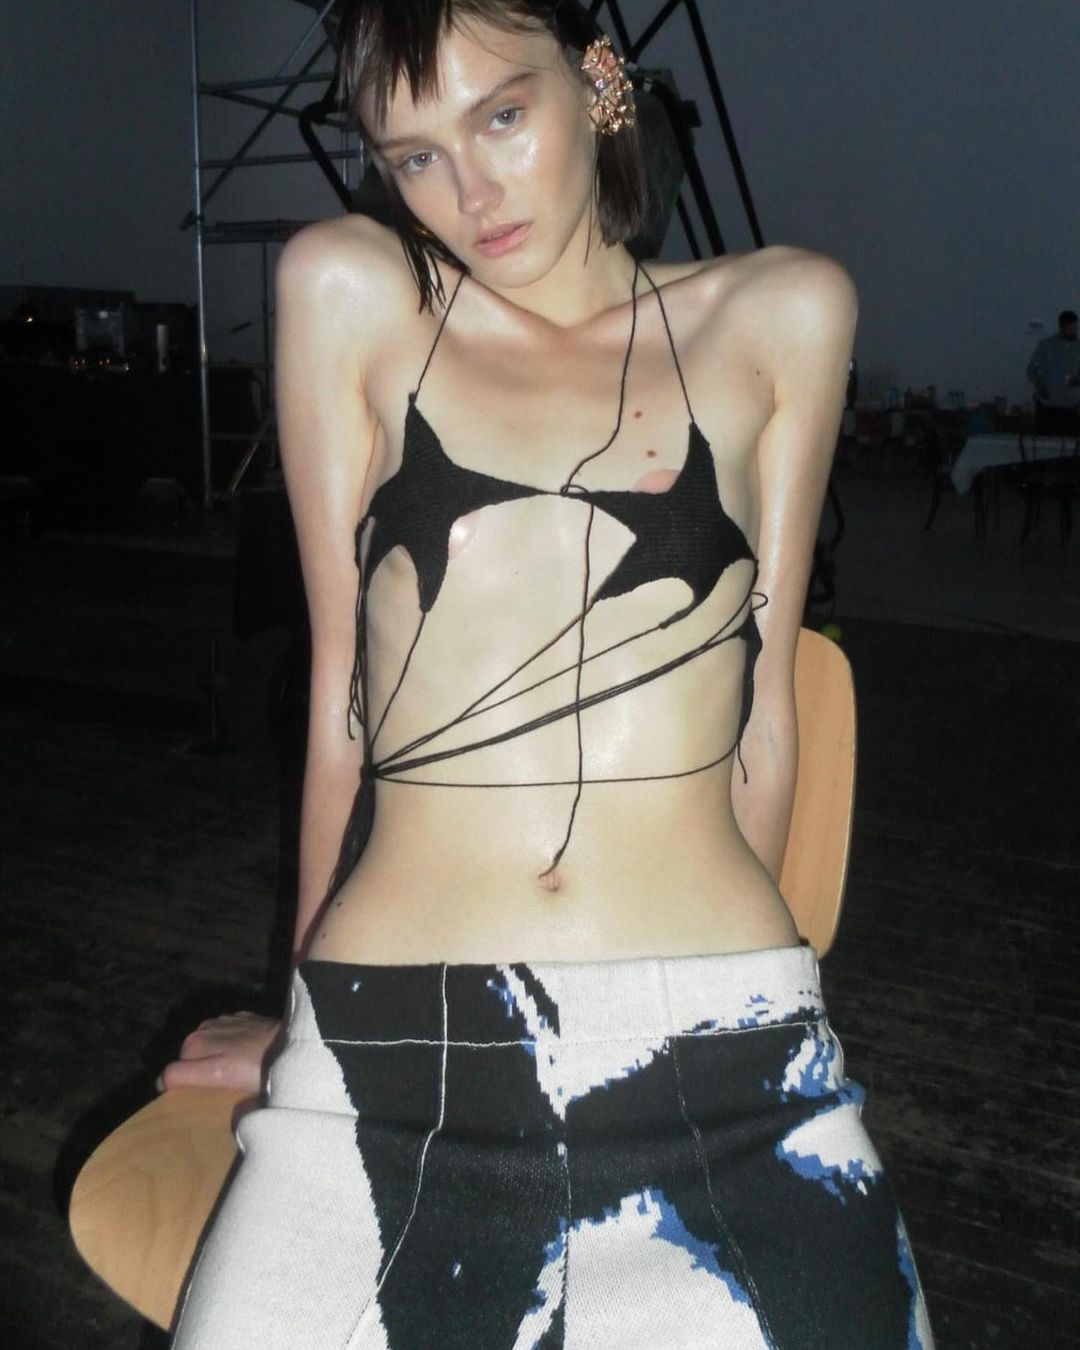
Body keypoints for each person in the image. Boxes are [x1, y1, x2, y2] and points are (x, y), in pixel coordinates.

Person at [163, 3, 933, 1346]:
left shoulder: (783, 311)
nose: (468, 192)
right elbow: (343, 710)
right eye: (415, 156)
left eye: (502, 117)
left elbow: (760, 719)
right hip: (395, 1034)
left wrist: (760, 1016)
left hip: (721, 1036)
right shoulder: (356, 292)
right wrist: (302, 1024)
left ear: (598, 81)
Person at [1027, 309, 1079, 436]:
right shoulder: (1046, 345)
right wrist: (1039, 384)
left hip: (1071, 407)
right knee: (1046, 442)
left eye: (1075, 328)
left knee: (1070, 443)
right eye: (1070, 328)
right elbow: (1032, 369)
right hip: (1047, 406)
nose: (1073, 331)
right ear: (1062, 327)